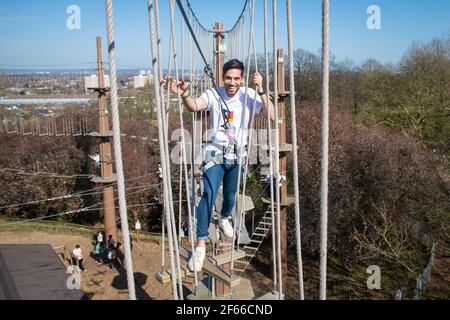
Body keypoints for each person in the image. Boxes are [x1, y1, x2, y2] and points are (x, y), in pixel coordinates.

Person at [164, 59, 275, 272]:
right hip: (215, 151)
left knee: (231, 195)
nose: (232, 82)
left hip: (238, 154)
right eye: (228, 78)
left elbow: (271, 115)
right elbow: (195, 106)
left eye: (236, 78)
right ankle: (201, 243)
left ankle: (225, 218)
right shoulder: (214, 93)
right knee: (208, 193)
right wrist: (185, 94)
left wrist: (260, 90)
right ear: (222, 77)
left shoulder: (249, 95)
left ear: (242, 79)